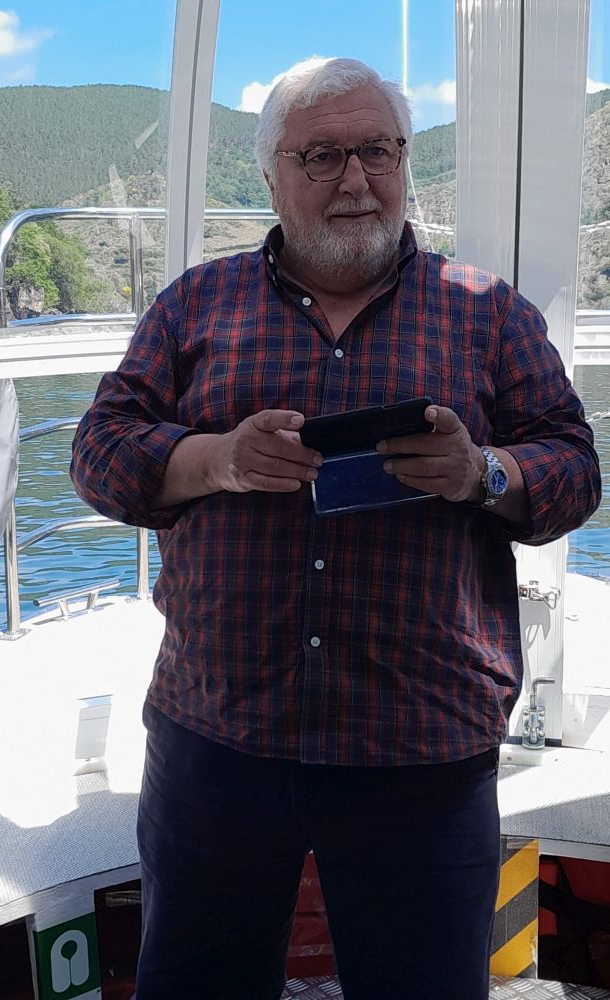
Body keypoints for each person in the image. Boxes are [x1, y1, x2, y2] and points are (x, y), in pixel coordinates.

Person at [70, 57, 602, 1000]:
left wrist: (482, 473)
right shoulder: (196, 304)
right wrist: (216, 459)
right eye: (322, 155)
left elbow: (574, 469)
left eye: (377, 151)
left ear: (402, 162)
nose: (356, 179)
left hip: (421, 744)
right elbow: (98, 451)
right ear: (272, 175)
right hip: (219, 734)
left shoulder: (489, 314)